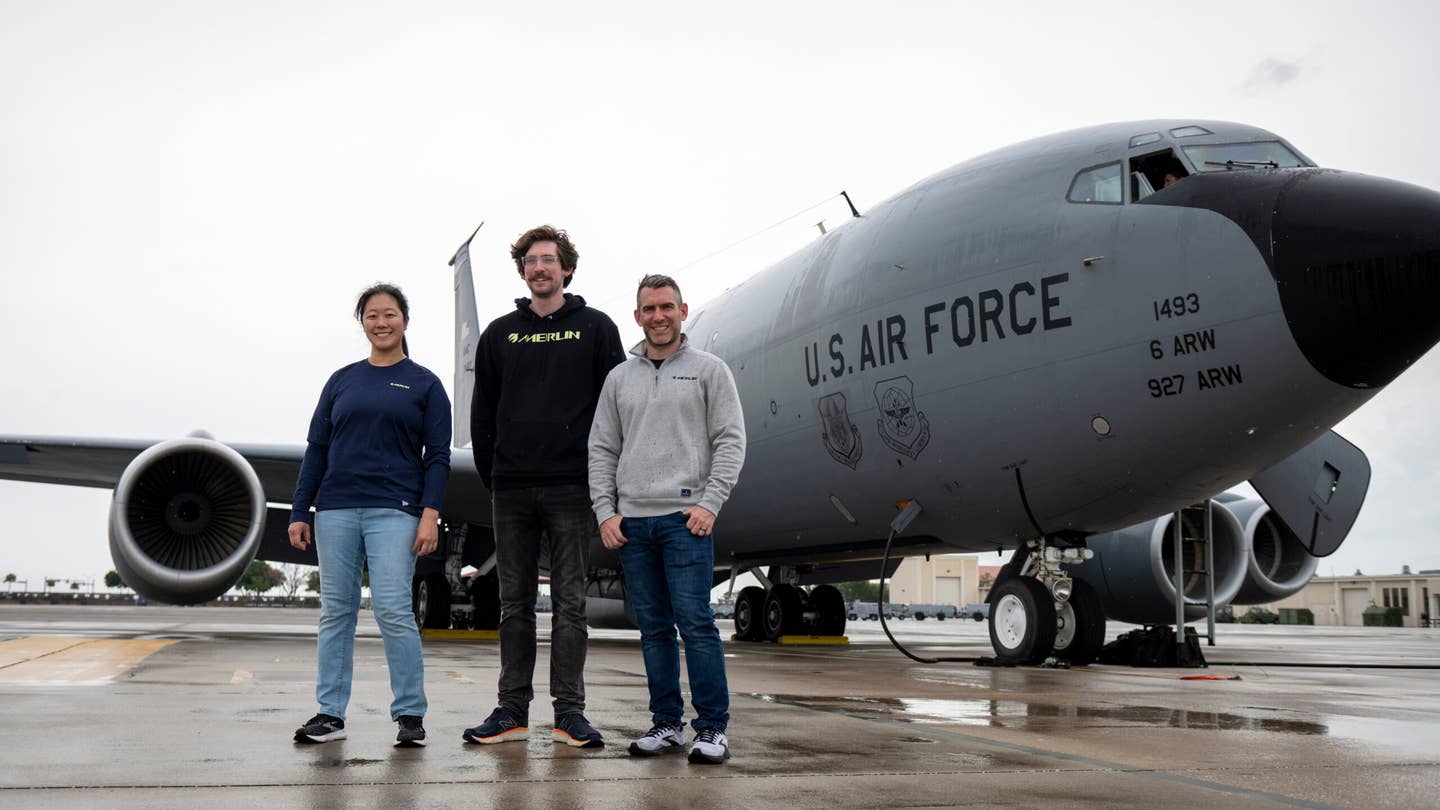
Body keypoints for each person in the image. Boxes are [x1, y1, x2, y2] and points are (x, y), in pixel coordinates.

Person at [463, 225, 625, 749]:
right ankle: (511, 710)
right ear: (523, 271)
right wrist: (495, 475)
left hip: (572, 488)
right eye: (531, 260)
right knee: (513, 605)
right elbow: (481, 414)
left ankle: (569, 714)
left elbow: (616, 409)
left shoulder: (596, 329)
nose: (540, 268)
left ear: (567, 269)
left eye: (549, 260)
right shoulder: (499, 335)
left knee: (571, 605)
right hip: (511, 490)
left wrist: (605, 479)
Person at [588, 274, 746, 765]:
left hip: (685, 521)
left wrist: (710, 502)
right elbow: (601, 448)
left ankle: (712, 730)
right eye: (649, 308)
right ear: (637, 316)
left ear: (683, 310)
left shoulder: (709, 370)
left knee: (695, 623)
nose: (658, 316)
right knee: (654, 629)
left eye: (667, 307)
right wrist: (606, 511)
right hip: (633, 524)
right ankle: (666, 724)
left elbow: (731, 439)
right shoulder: (619, 378)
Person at [288, 283, 451, 748]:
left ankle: (410, 714)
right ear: (362, 323)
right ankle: (330, 713)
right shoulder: (341, 380)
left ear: (405, 320)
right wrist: (301, 510)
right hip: (335, 510)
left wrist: (429, 514)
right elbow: (316, 449)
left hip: (395, 511)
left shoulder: (425, 384)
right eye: (372, 315)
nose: (381, 323)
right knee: (335, 613)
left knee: (394, 610)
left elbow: (437, 457)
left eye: (390, 314)